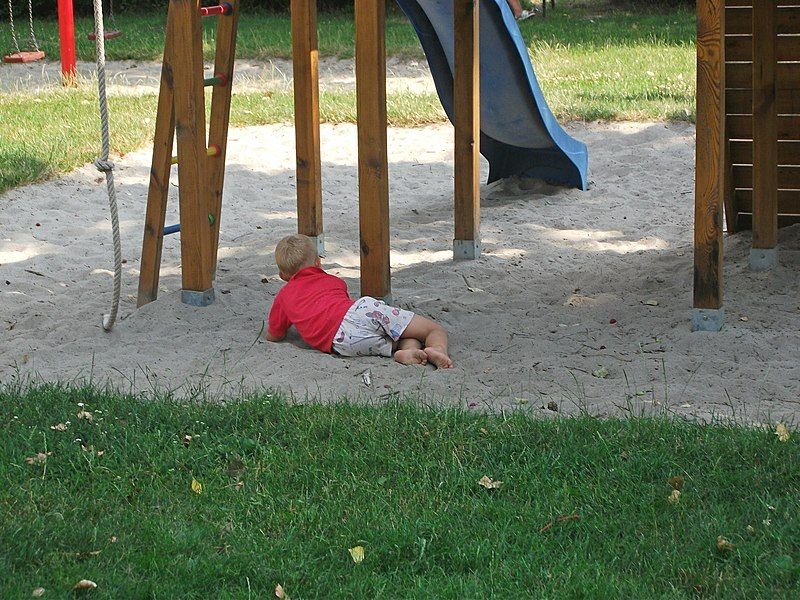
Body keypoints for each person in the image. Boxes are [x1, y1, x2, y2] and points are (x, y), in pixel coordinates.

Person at [266, 234, 453, 369]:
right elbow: (344, 311)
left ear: (282, 275)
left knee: (398, 340)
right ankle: (437, 349)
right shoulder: (334, 281)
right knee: (432, 329)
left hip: (341, 342)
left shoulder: (284, 296)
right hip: (361, 311)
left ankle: (406, 352)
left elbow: (275, 335)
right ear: (318, 263)